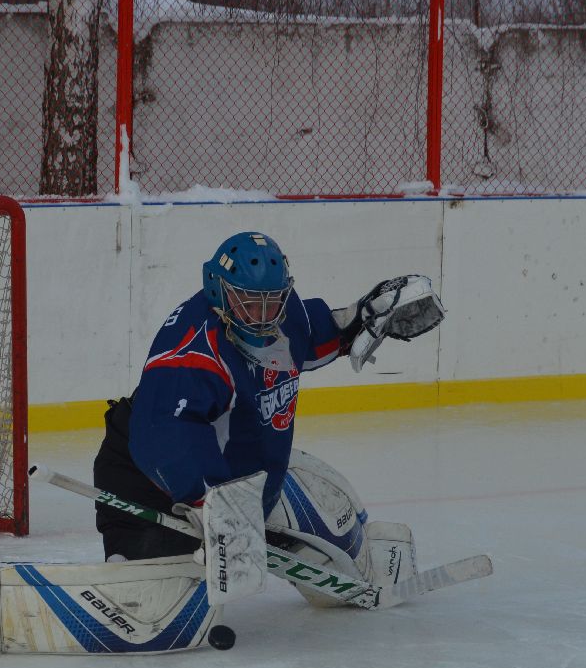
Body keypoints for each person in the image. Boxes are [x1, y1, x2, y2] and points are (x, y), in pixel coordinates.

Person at [93, 231, 443, 563]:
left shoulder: (283, 318)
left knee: (340, 534)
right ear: (218, 289)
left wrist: (361, 317)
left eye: (271, 302)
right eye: (248, 303)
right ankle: (134, 567)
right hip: (154, 480)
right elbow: (166, 430)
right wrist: (215, 504)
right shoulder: (194, 354)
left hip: (240, 477)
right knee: (166, 591)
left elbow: (316, 336)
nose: (261, 316)